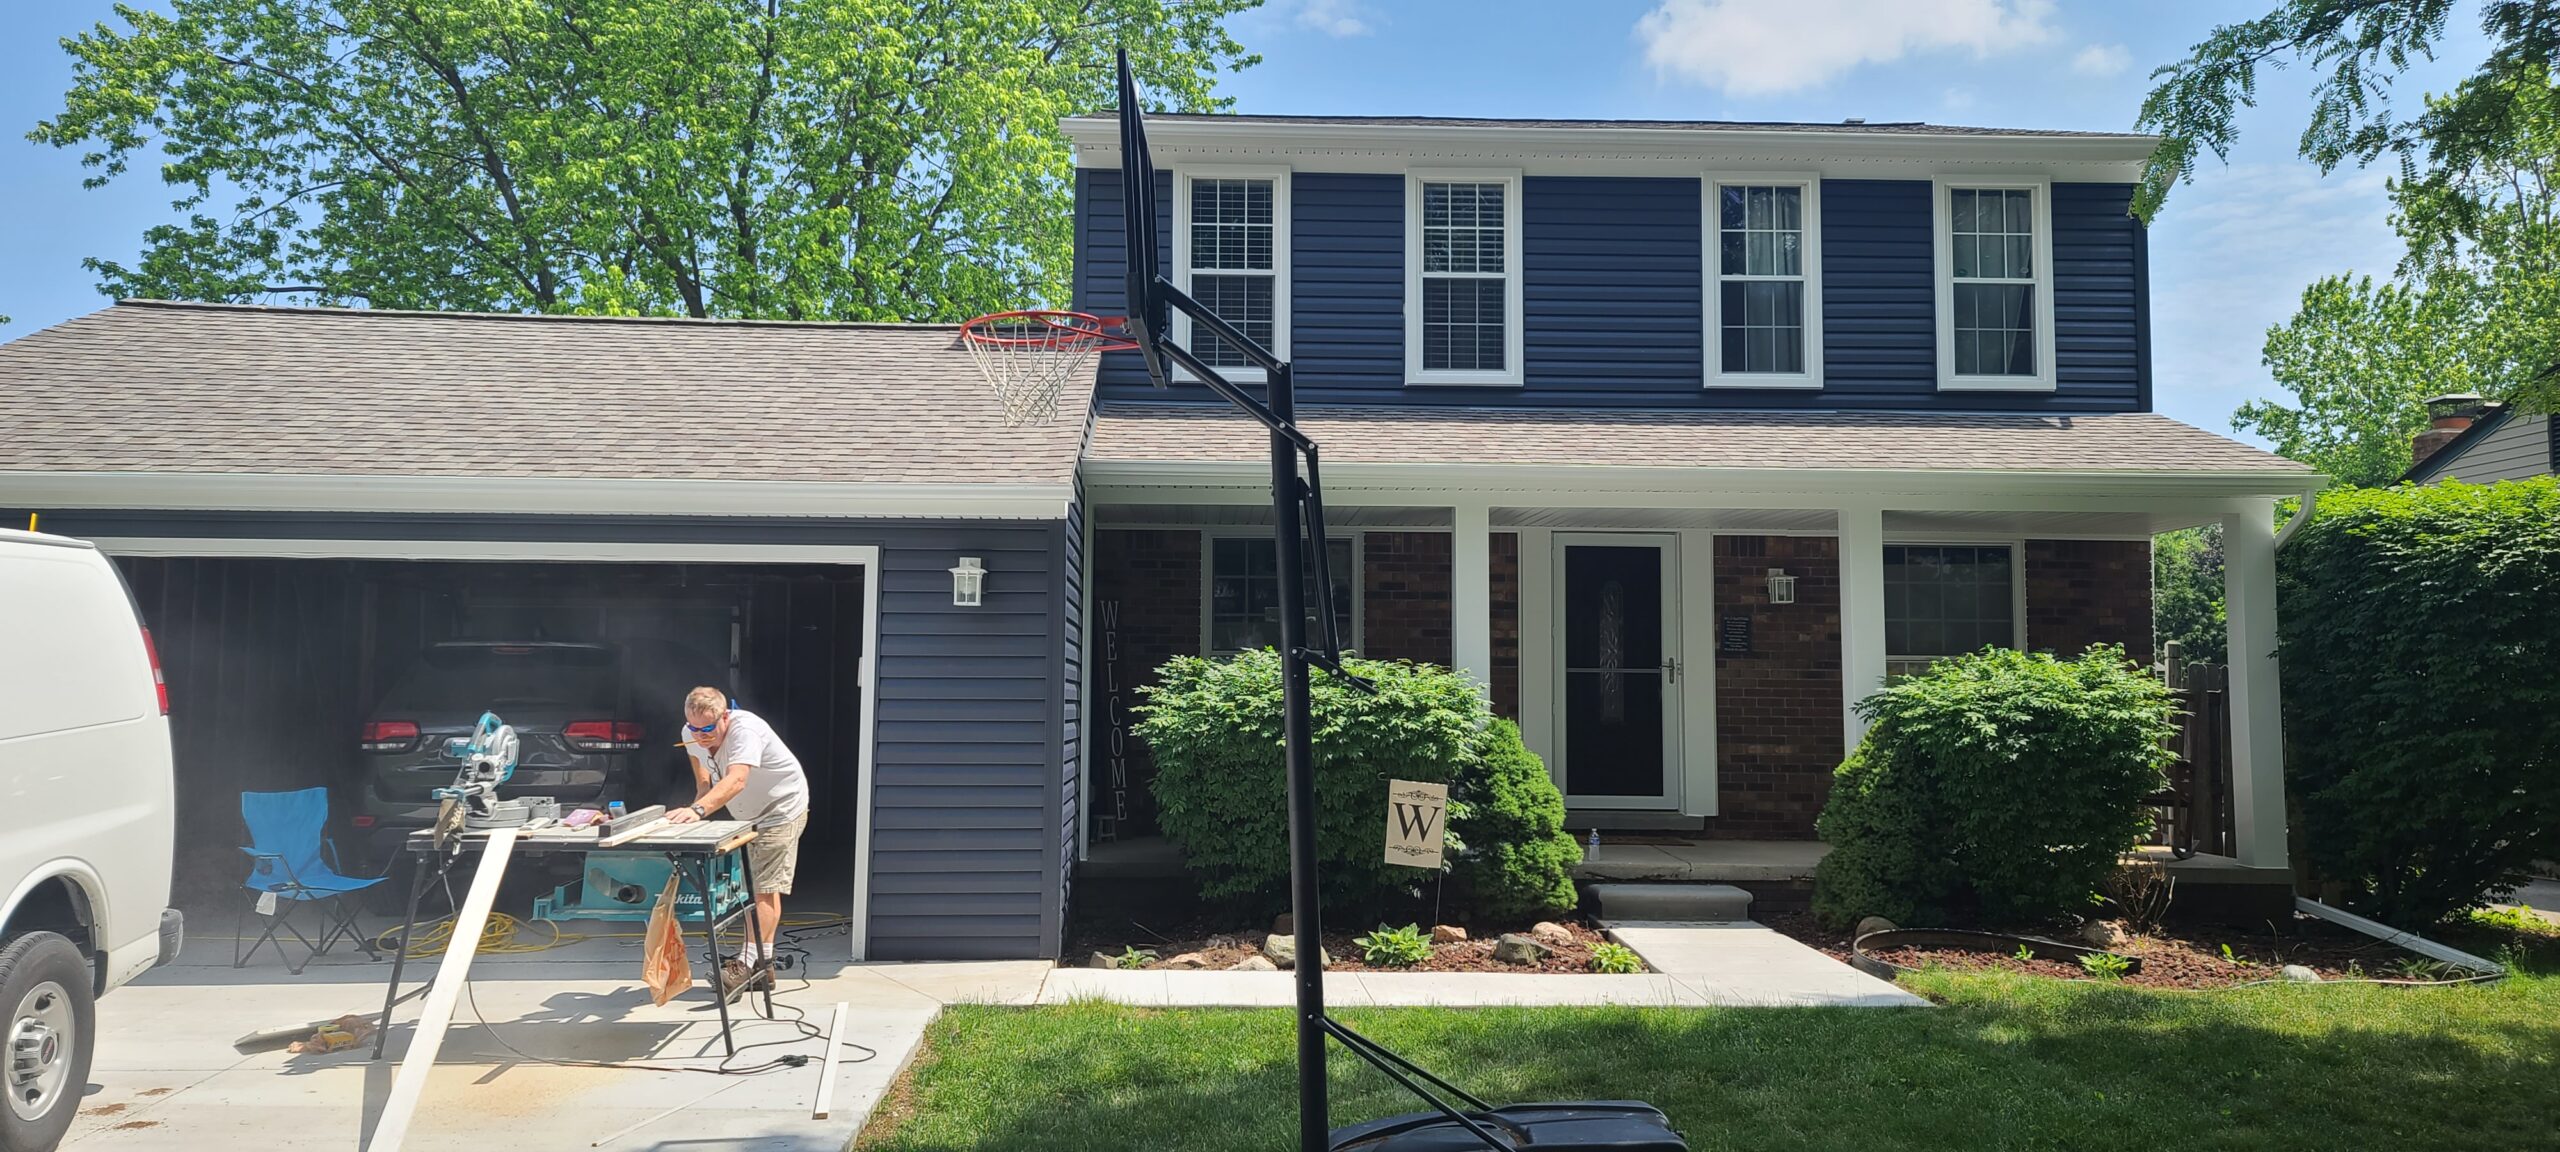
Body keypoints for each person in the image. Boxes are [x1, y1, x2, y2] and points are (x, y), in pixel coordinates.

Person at [675, 686, 809, 992]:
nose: (700, 735)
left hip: (780, 810)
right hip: (748, 815)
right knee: (759, 888)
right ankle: (764, 966)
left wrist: (698, 810)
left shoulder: (745, 731)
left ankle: (746, 965)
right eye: (694, 728)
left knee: (763, 890)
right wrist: (699, 801)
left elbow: (737, 780)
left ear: (725, 716)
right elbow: (701, 770)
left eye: (707, 729)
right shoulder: (690, 732)